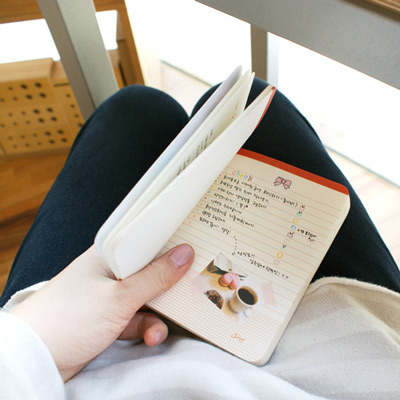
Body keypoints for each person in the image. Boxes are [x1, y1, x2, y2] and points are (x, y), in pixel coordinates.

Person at [1, 79, 399, 400]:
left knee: (139, 108)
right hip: (347, 355)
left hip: (68, 367)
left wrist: (36, 344)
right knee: (251, 99)